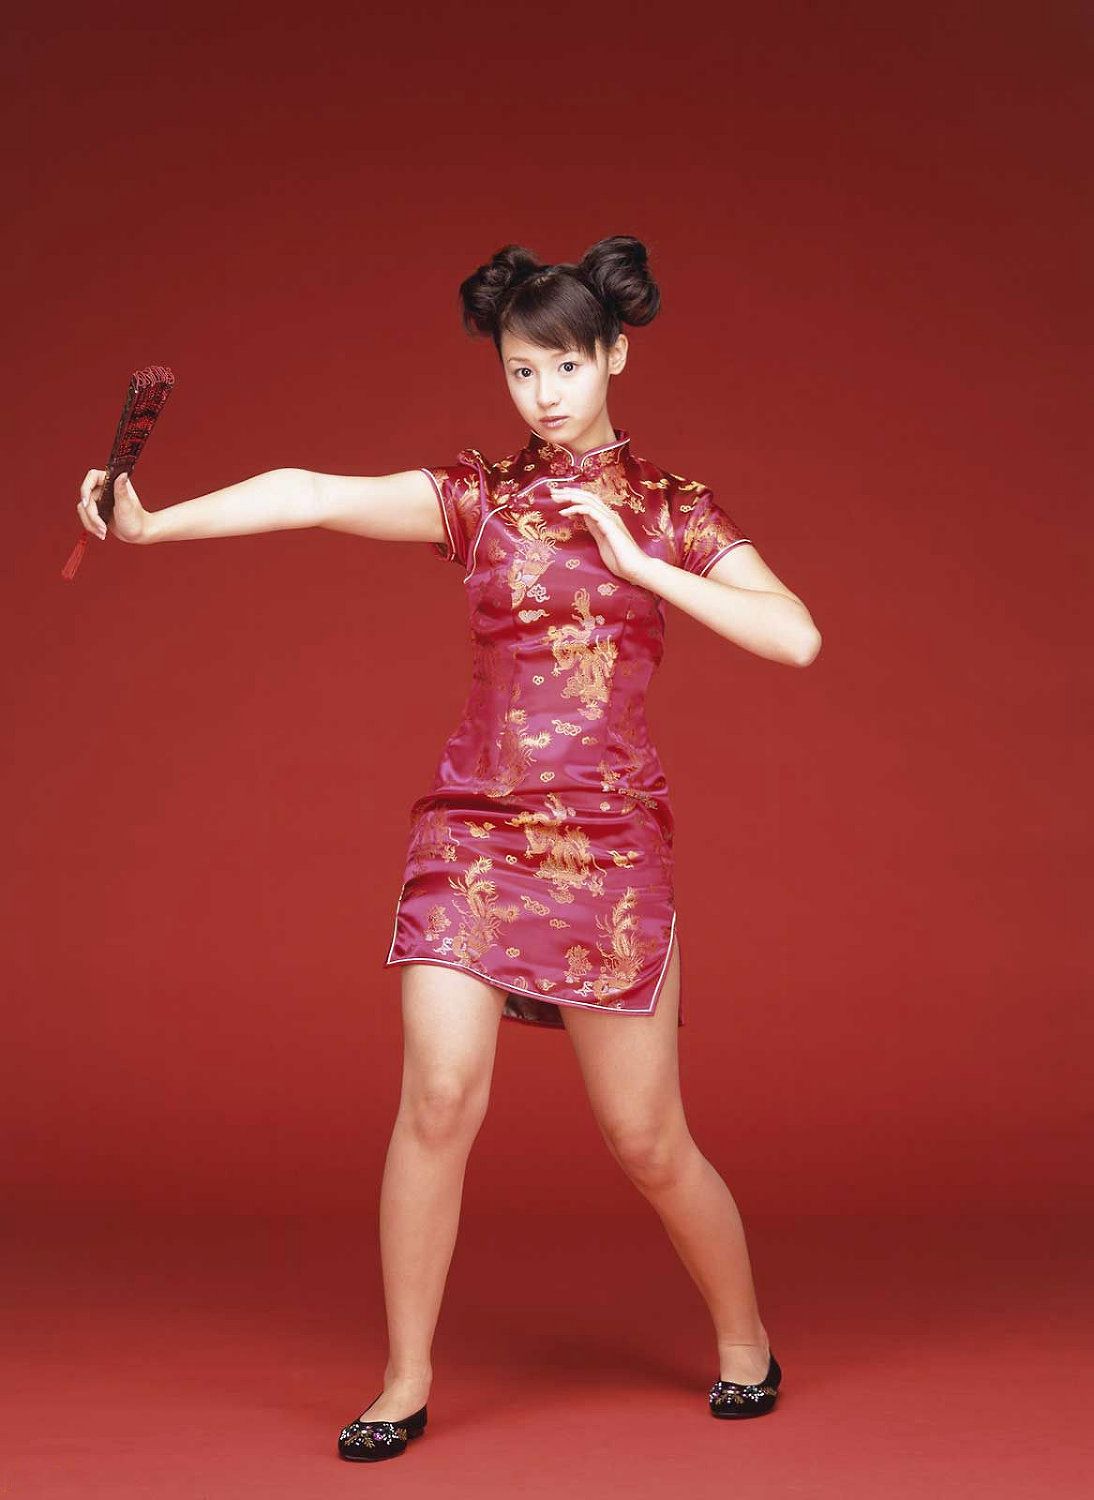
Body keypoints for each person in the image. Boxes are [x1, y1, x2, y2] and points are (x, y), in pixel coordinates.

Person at [75, 235, 822, 1463]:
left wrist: (639, 562)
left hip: (607, 842)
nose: (543, 393)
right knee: (435, 1096)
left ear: (615, 356)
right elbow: (311, 490)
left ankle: (744, 1338)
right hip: (472, 830)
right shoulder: (480, 498)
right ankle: (404, 1379)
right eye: (520, 370)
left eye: (564, 366)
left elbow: (794, 638)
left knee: (645, 1139)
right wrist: (153, 528)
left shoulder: (672, 509)